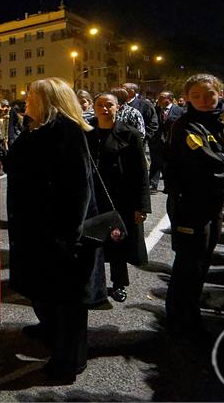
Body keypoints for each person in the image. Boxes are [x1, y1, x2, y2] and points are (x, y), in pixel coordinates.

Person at [5, 77, 105, 382]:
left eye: (31, 96)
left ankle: (69, 362)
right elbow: (22, 166)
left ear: (47, 101)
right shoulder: (38, 130)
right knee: (47, 290)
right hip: (39, 230)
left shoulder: (67, 132)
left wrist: (68, 237)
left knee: (67, 300)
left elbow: (78, 190)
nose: (25, 100)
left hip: (61, 234)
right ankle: (49, 329)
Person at [163, 73, 224, 344]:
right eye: (196, 95)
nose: (203, 100)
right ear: (187, 98)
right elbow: (204, 159)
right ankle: (183, 323)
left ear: (219, 93)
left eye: (208, 94)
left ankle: (187, 317)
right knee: (189, 265)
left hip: (212, 202)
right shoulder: (185, 125)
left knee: (201, 264)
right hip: (190, 205)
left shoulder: (216, 122)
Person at [87, 93, 150, 303]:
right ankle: (92, 285)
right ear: (94, 108)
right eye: (100, 105)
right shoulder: (86, 132)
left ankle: (119, 284)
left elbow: (141, 172)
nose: (104, 109)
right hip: (93, 197)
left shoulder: (130, 134)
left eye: (109, 105)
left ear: (118, 108)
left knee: (118, 243)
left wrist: (141, 206)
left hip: (120, 198)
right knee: (92, 242)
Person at [149, 91, 185, 191]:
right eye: (159, 97)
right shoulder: (155, 110)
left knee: (169, 164)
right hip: (157, 141)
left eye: (162, 97)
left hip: (172, 141)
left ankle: (168, 185)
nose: (159, 99)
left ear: (169, 99)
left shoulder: (179, 111)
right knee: (156, 162)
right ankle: (153, 184)